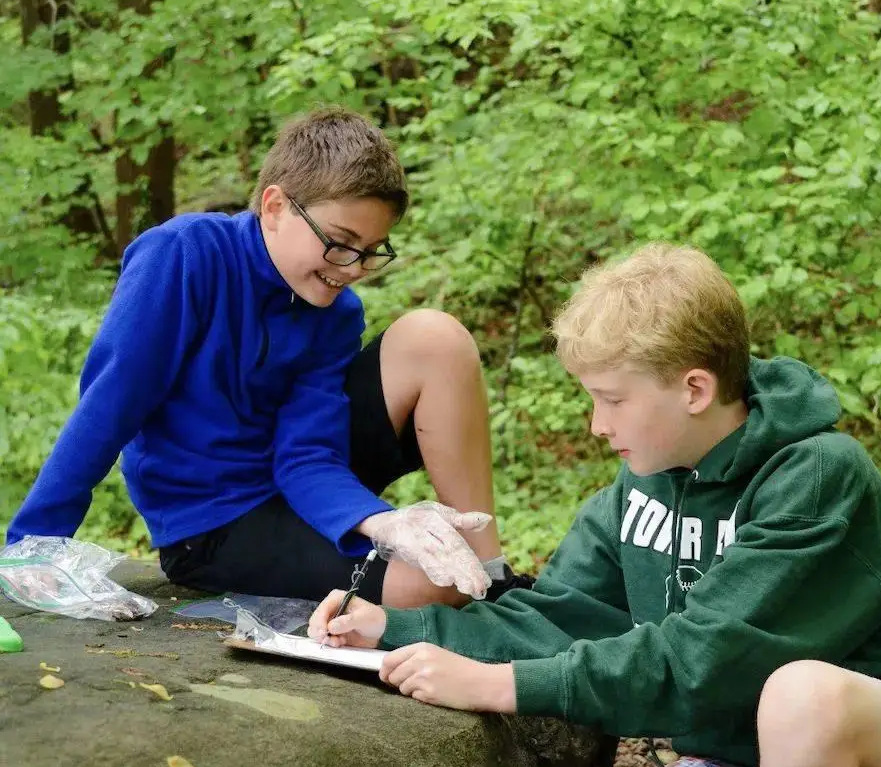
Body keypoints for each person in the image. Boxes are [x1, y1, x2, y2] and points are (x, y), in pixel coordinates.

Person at [308, 243, 881, 767]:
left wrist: (496, 685)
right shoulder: (639, 488)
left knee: (800, 697)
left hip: (864, 742)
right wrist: (393, 629)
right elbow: (555, 615)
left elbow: (701, 659)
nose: (596, 425)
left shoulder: (819, 477)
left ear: (693, 388)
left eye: (612, 400)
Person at [7, 108, 529, 608]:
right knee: (437, 588)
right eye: (341, 242)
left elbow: (307, 455)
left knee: (434, 338)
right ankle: (466, 585)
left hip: (306, 488)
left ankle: (491, 568)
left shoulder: (336, 313)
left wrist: (383, 523)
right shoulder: (184, 255)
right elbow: (110, 405)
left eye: (373, 250)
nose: (353, 268)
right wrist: (32, 545)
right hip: (216, 526)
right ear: (276, 206)